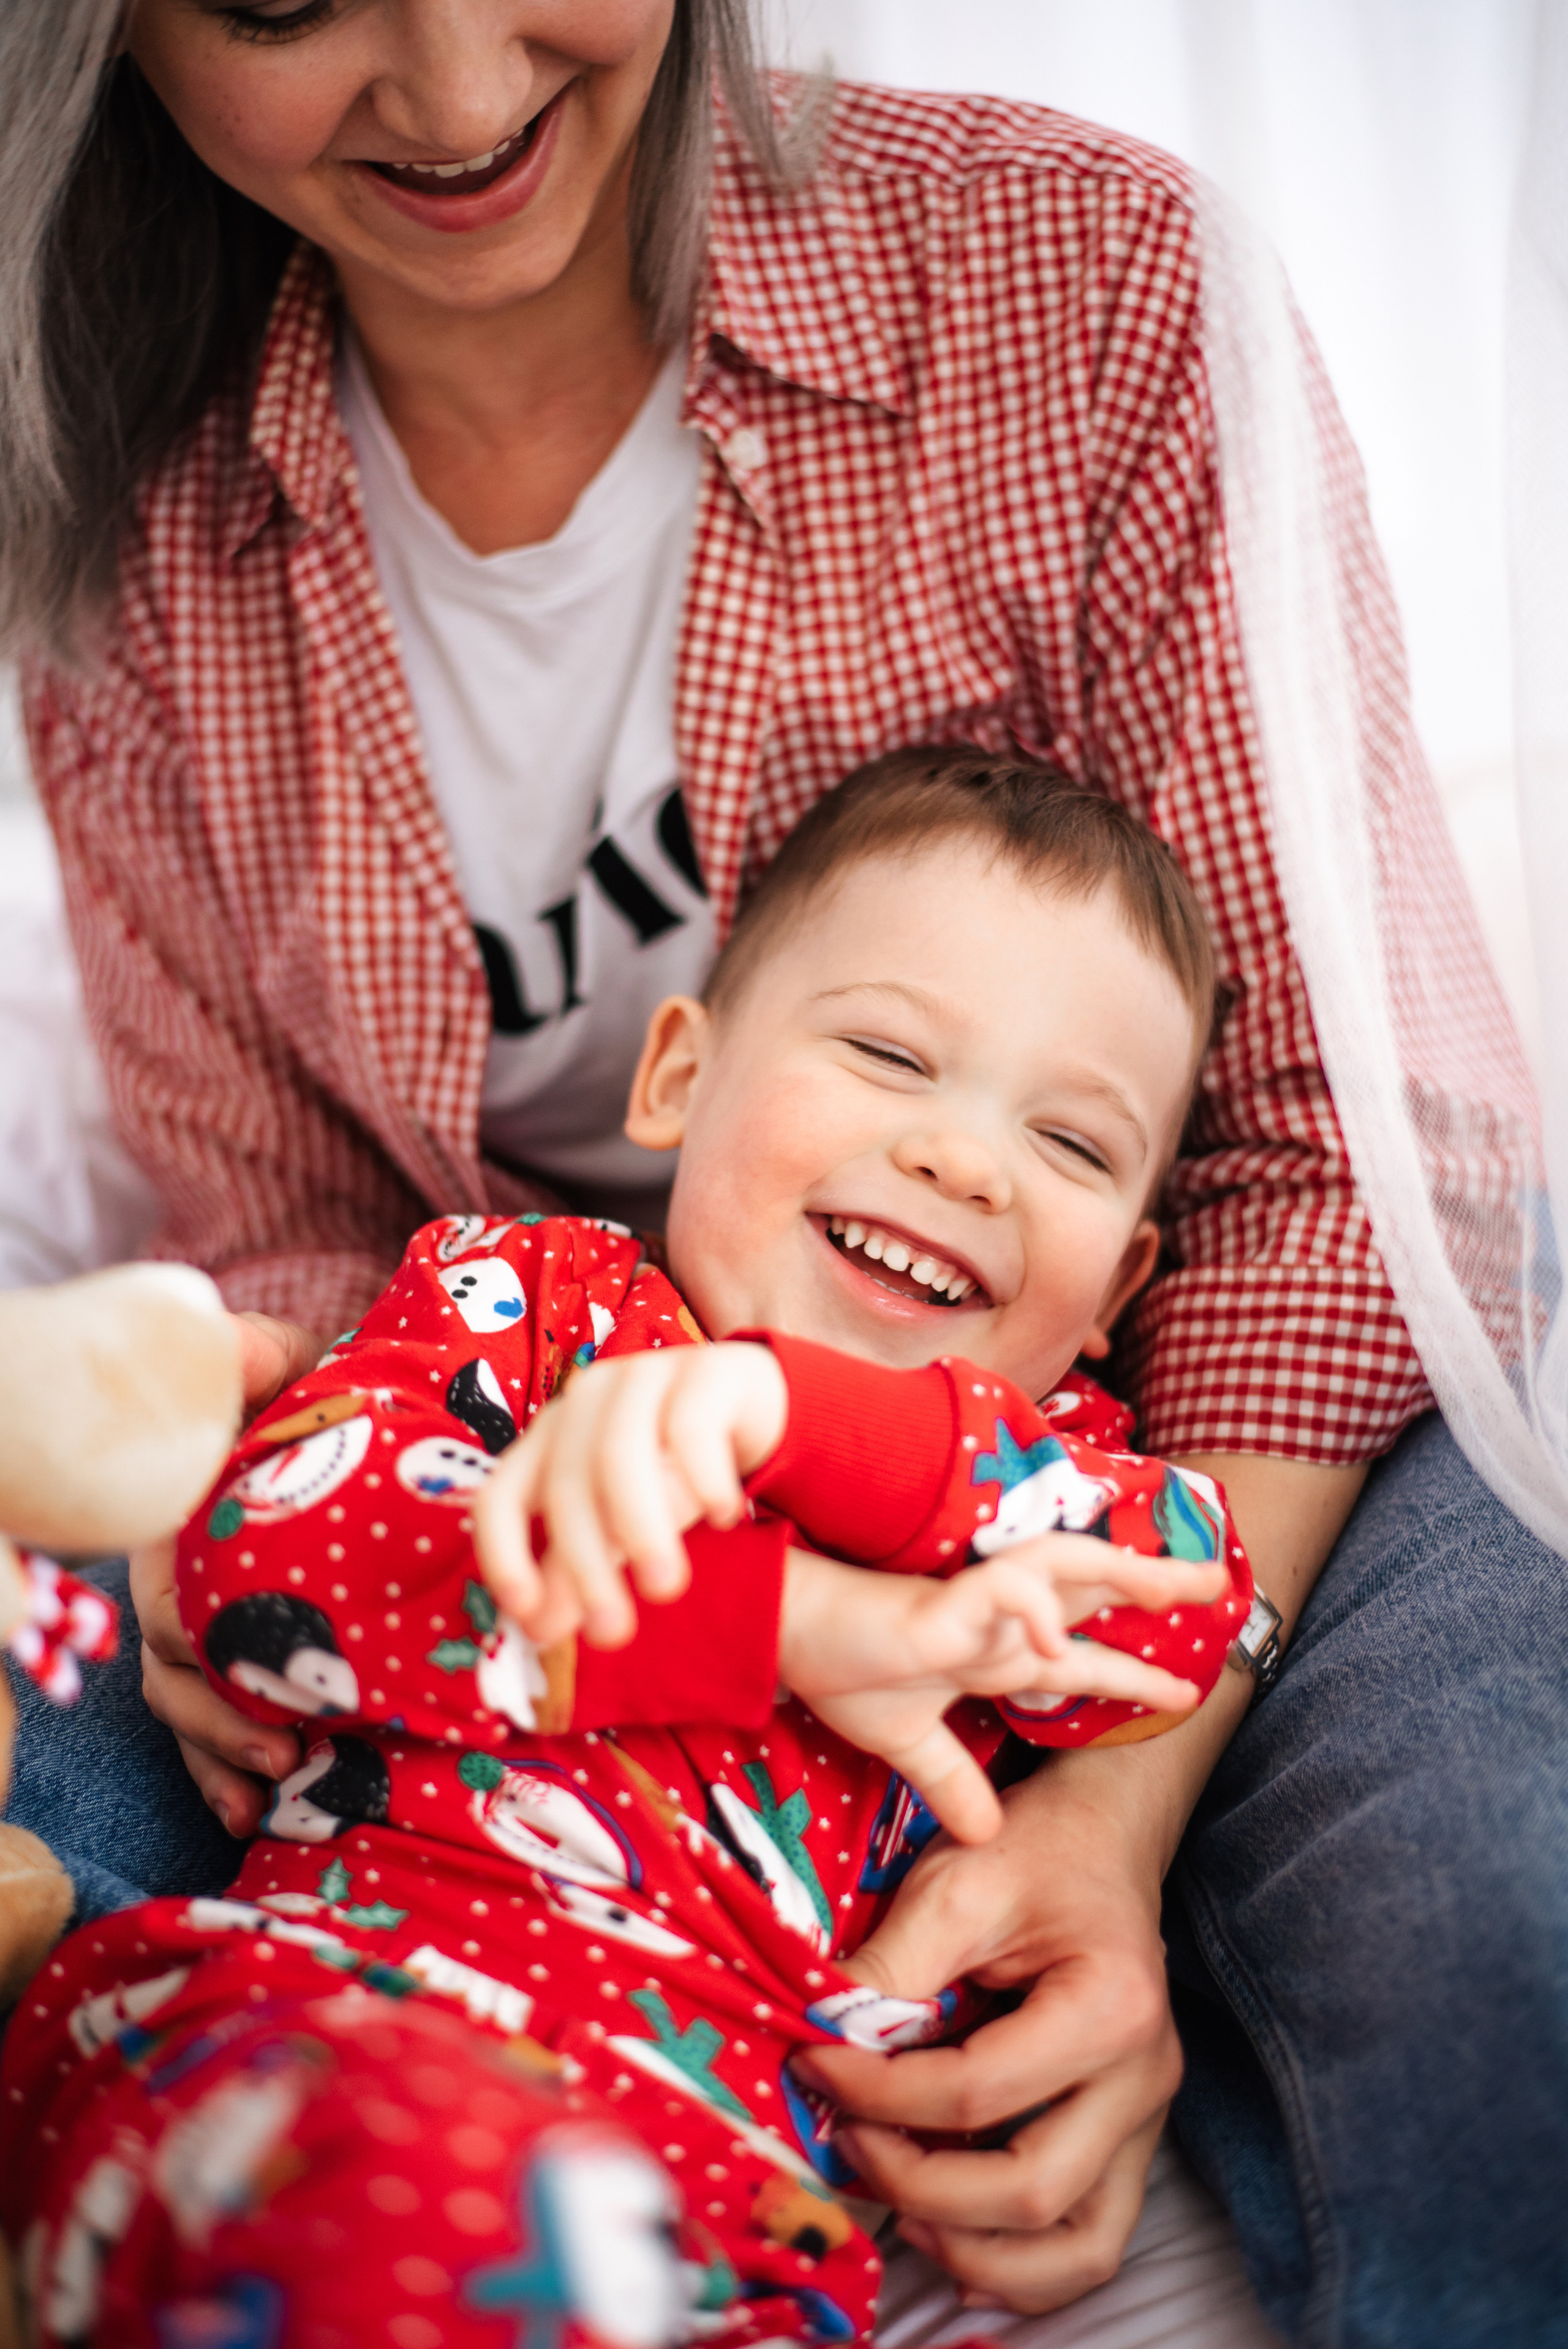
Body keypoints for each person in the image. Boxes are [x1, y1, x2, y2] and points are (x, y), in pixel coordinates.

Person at [0, 5, 1559, 2340]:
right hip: (509, 1434)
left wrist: (1091, 1834)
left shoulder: (1091, 292)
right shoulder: (135, 518)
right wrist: (719, 1572)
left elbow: (1329, 1191)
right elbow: (298, 1428)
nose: (451, 90)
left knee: (1509, 1948)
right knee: (125, 1885)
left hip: (1212, 1360)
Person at [2, 754, 1254, 2345]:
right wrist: (774, 1620)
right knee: (429, 2209)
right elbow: (269, 1552)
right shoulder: (534, 1312)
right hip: (317, 2033)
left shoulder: (1038, 1486)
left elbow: (1183, 1611)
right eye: (888, 1051)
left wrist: (793, 1413)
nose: (968, 1158)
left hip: (737, 2225)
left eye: (1073, 1146)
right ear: (678, 1074)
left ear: (1121, 1280)